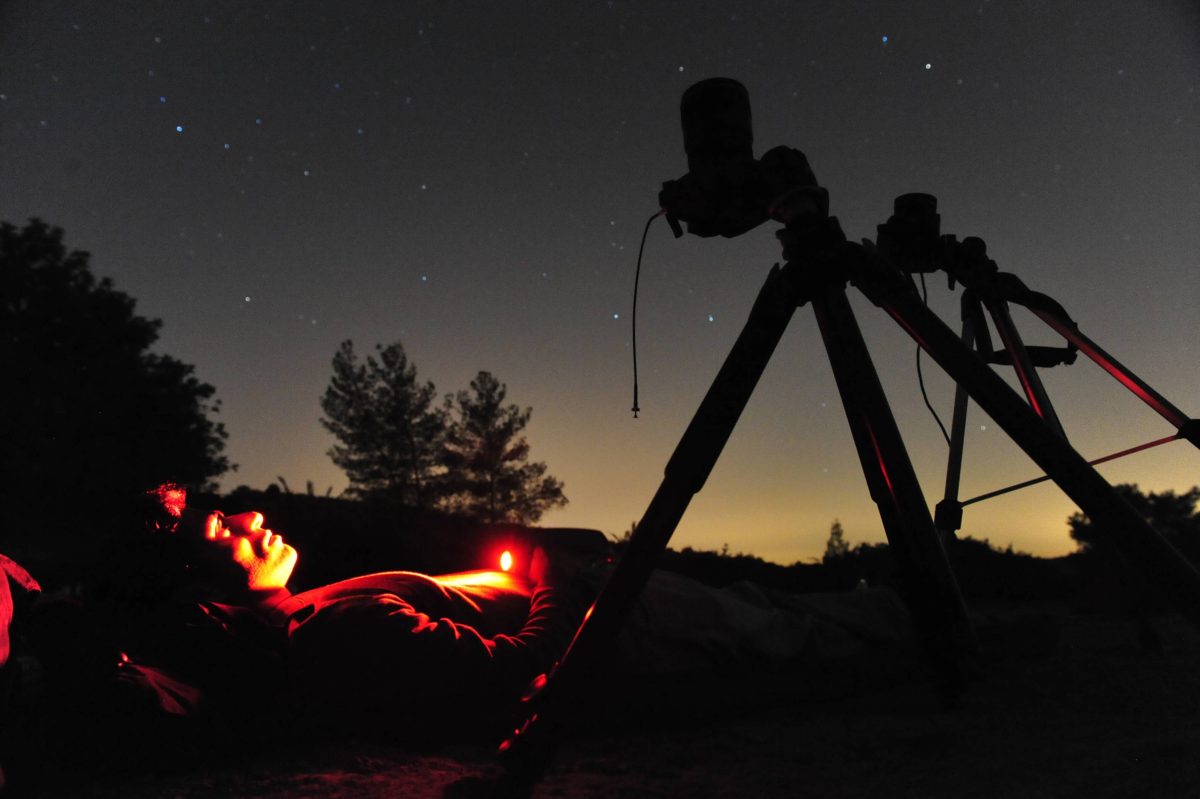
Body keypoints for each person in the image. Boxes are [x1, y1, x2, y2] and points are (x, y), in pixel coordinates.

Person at [0, 483, 915, 787]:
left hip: (631, 610)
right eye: (222, 534)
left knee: (817, 612)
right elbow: (524, 677)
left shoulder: (308, 612)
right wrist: (563, 579)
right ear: (199, 597)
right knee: (834, 633)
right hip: (636, 636)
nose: (250, 519)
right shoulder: (326, 638)